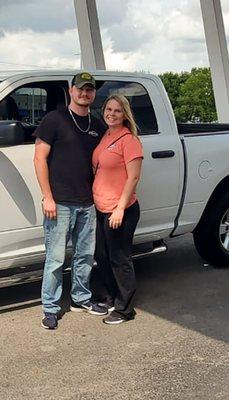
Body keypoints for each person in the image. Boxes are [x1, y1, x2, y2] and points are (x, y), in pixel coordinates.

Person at [33, 72, 108, 330]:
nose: (85, 93)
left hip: (88, 203)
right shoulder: (54, 119)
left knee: (85, 256)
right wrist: (48, 197)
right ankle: (50, 308)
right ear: (71, 89)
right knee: (55, 259)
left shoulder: (98, 124)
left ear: (93, 93)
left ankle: (81, 299)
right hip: (60, 203)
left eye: (89, 90)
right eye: (81, 89)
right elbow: (39, 158)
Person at [91, 94, 143, 325]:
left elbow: (133, 178)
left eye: (117, 111)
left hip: (120, 210)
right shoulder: (106, 135)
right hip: (102, 208)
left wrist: (120, 209)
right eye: (109, 109)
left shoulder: (129, 140)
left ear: (125, 115)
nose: (111, 114)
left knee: (120, 259)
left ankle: (125, 309)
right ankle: (111, 297)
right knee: (102, 256)